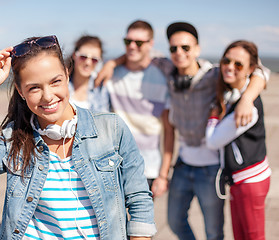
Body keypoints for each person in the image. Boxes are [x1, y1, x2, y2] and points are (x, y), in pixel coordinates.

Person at [0, 35, 156, 240]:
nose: (48, 96)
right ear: (20, 91)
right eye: (34, 88)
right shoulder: (16, 138)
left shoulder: (111, 128)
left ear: (67, 74)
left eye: (55, 81)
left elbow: (138, 198)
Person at [95, 21, 269, 240]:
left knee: (214, 232)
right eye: (173, 48)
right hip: (183, 165)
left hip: (211, 167)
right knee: (175, 221)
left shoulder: (214, 75)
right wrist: (112, 63)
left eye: (186, 48)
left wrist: (247, 98)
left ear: (197, 49)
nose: (179, 53)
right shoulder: (168, 69)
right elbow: (137, 54)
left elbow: (261, 71)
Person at [206, 40, 271, 240]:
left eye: (239, 64)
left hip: (250, 180)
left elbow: (212, 141)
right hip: (239, 180)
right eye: (226, 60)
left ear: (250, 69)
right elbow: (262, 72)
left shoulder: (247, 108)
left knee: (253, 236)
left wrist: (214, 114)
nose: (230, 67)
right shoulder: (234, 96)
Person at [103, 20, 175, 197]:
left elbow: (169, 130)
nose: (132, 47)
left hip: (148, 169)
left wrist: (163, 176)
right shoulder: (112, 75)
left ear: (151, 44)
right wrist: (111, 64)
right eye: (128, 42)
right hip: (115, 166)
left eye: (139, 42)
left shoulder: (163, 76)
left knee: (142, 225)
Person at [68, 35, 110, 112]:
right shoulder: (61, 84)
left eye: (94, 59)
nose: (88, 62)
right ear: (74, 55)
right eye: (83, 57)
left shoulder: (101, 88)